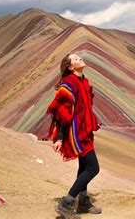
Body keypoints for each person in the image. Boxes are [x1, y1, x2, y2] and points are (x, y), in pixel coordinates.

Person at [45, 53, 102, 217]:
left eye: (79, 57)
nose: (80, 59)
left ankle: (83, 202)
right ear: (70, 67)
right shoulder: (69, 83)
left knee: (84, 167)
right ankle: (66, 203)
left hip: (85, 131)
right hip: (75, 134)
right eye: (76, 59)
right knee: (93, 168)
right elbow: (61, 112)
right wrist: (61, 138)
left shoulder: (83, 80)